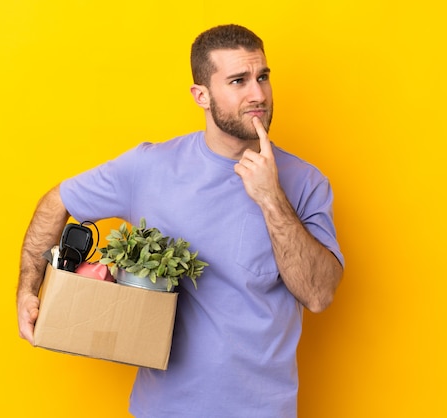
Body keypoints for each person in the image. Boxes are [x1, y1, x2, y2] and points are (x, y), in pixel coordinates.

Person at [17, 24, 344, 418]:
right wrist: (27, 292)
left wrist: (271, 197)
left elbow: (319, 294)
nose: (258, 94)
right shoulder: (150, 167)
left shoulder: (306, 182)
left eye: (263, 77)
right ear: (201, 95)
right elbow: (57, 202)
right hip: (163, 410)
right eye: (238, 81)